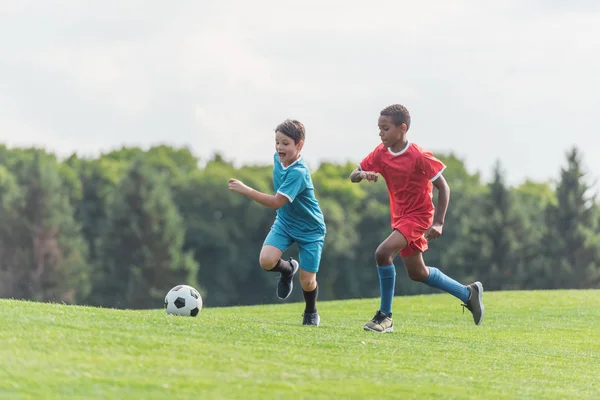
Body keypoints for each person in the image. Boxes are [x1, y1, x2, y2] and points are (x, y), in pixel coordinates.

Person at [350, 104, 484, 333]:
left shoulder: (418, 155)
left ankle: (385, 317)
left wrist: (439, 222)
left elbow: (444, 187)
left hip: (419, 217)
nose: (380, 133)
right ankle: (467, 293)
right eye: (379, 128)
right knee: (417, 273)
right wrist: (362, 174)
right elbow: (353, 175)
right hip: (400, 219)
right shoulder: (380, 153)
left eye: (385, 128)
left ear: (402, 129)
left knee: (383, 253)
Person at [228, 119, 326, 326]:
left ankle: (311, 311)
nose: (279, 147)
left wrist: (247, 190)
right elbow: (280, 207)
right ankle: (288, 269)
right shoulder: (277, 159)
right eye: (277, 142)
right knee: (266, 261)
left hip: (311, 230)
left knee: (307, 281)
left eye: (285, 143)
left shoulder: (299, 172)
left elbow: (275, 202)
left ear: (299, 145)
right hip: (285, 222)